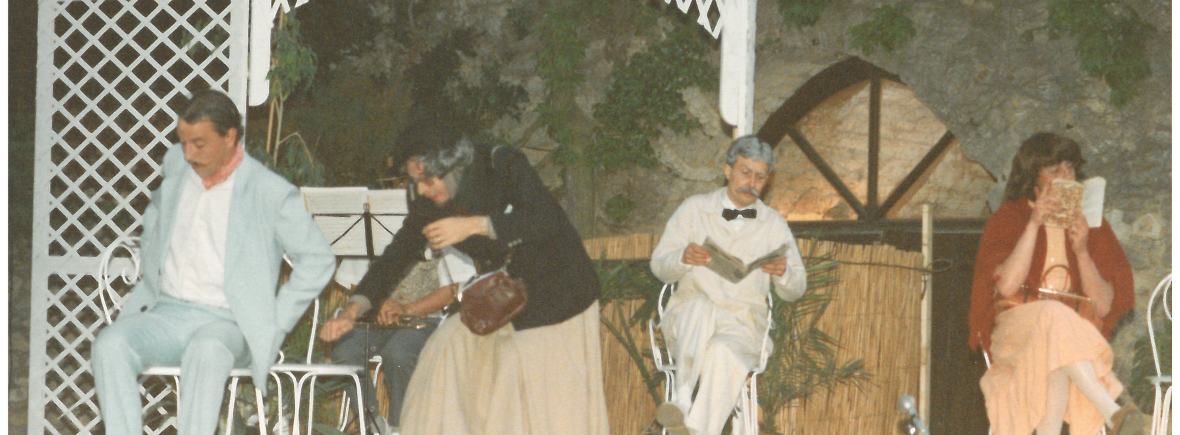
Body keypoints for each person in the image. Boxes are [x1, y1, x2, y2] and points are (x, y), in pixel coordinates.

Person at [90, 89, 336, 434]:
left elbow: (318, 259)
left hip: (229, 322)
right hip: (167, 313)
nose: (189, 153)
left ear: (230, 137)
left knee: (207, 350)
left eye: (199, 144)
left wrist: (276, 322)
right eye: (183, 142)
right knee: (110, 344)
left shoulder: (268, 191)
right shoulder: (177, 167)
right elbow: (156, 218)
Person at [348, 137, 609, 434]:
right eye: (414, 181)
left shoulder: (502, 163)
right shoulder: (427, 201)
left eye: (427, 180)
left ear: (453, 169)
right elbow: (399, 252)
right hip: (503, 295)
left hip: (559, 291)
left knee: (539, 395)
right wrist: (358, 304)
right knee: (444, 349)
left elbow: (546, 218)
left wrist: (477, 225)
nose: (420, 189)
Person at [967, 132, 1147, 435]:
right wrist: (1034, 223)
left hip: (1065, 336)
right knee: (1053, 315)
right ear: (1033, 180)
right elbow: (1006, 286)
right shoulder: (1010, 217)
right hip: (1015, 330)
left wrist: (1082, 251)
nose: (1066, 176)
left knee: (1057, 348)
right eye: (1055, 170)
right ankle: (1110, 410)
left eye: (1070, 168)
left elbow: (1104, 306)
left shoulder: (1092, 225)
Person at [649, 135, 807, 435]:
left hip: (742, 325)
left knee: (723, 351)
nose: (751, 182)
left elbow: (797, 288)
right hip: (689, 324)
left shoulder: (773, 224)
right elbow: (659, 266)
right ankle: (682, 397)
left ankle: (695, 427)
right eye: (745, 172)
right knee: (701, 305)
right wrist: (682, 258)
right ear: (727, 170)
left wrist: (783, 272)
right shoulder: (695, 209)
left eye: (760, 176)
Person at [318, 131, 474, 430]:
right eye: (403, 182)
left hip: (423, 319)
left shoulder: (439, 214)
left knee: (399, 354)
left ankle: (405, 426)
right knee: (344, 351)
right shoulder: (370, 220)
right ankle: (373, 425)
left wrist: (406, 308)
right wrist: (377, 303)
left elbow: (453, 289)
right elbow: (355, 282)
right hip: (377, 319)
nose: (407, 188)